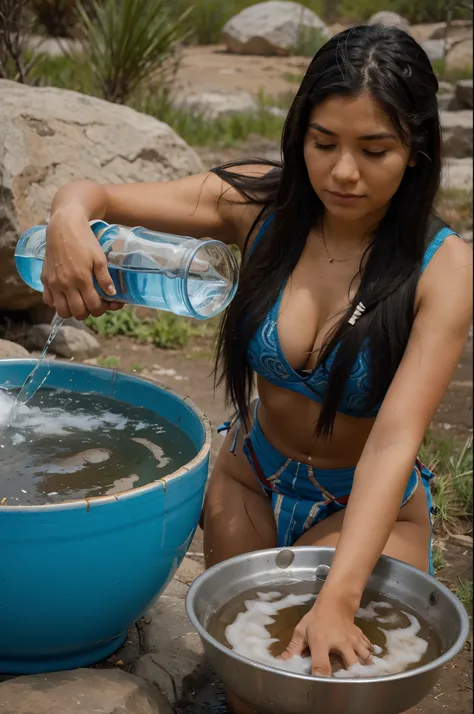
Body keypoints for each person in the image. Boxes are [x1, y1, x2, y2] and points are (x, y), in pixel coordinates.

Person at [42, 24, 472, 714]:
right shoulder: (260, 209)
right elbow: (98, 195)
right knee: (250, 690)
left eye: (374, 149)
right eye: (323, 142)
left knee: (315, 687)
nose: (342, 172)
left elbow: (394, 442)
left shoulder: (442, 269)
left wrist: (339, 597)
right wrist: (68, 215)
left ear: (417, 150)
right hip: (250, 480)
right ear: (300, 132)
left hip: (366, 512)